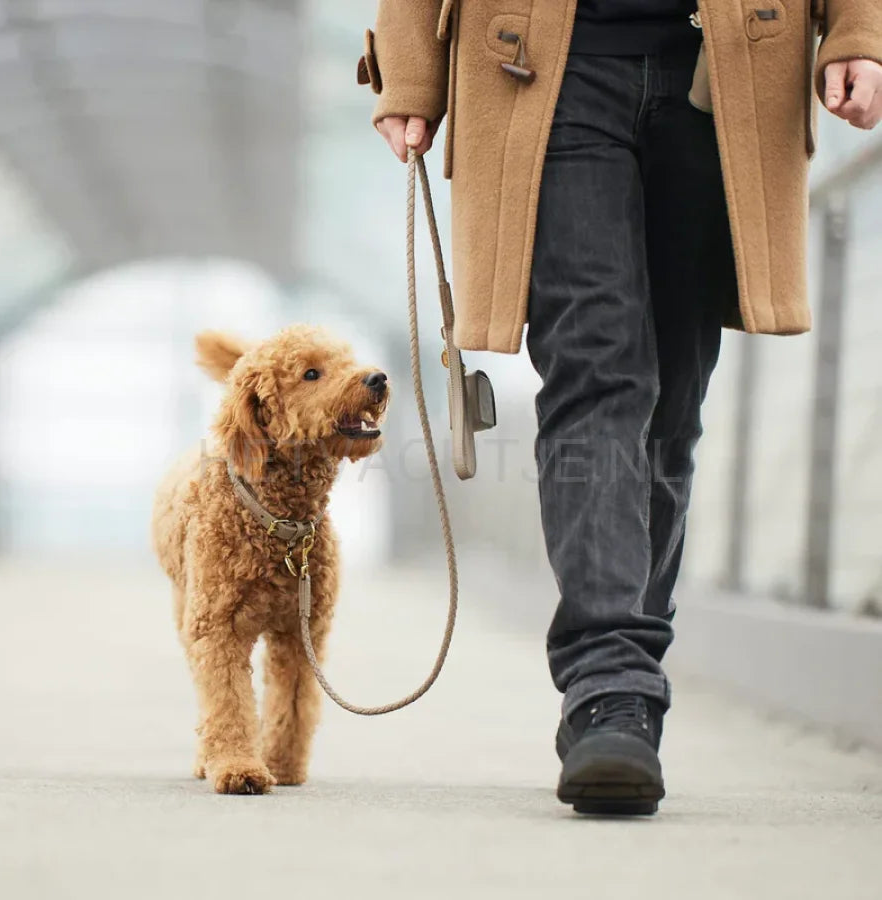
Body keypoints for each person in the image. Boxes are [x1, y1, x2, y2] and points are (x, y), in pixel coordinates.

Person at [359, 2, 882, 815]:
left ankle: (624, 683)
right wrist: (411, 70)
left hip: (731, 66)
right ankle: (610, 683)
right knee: (597, 367)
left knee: (672, 397)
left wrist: (858, 32)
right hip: (541, 66)